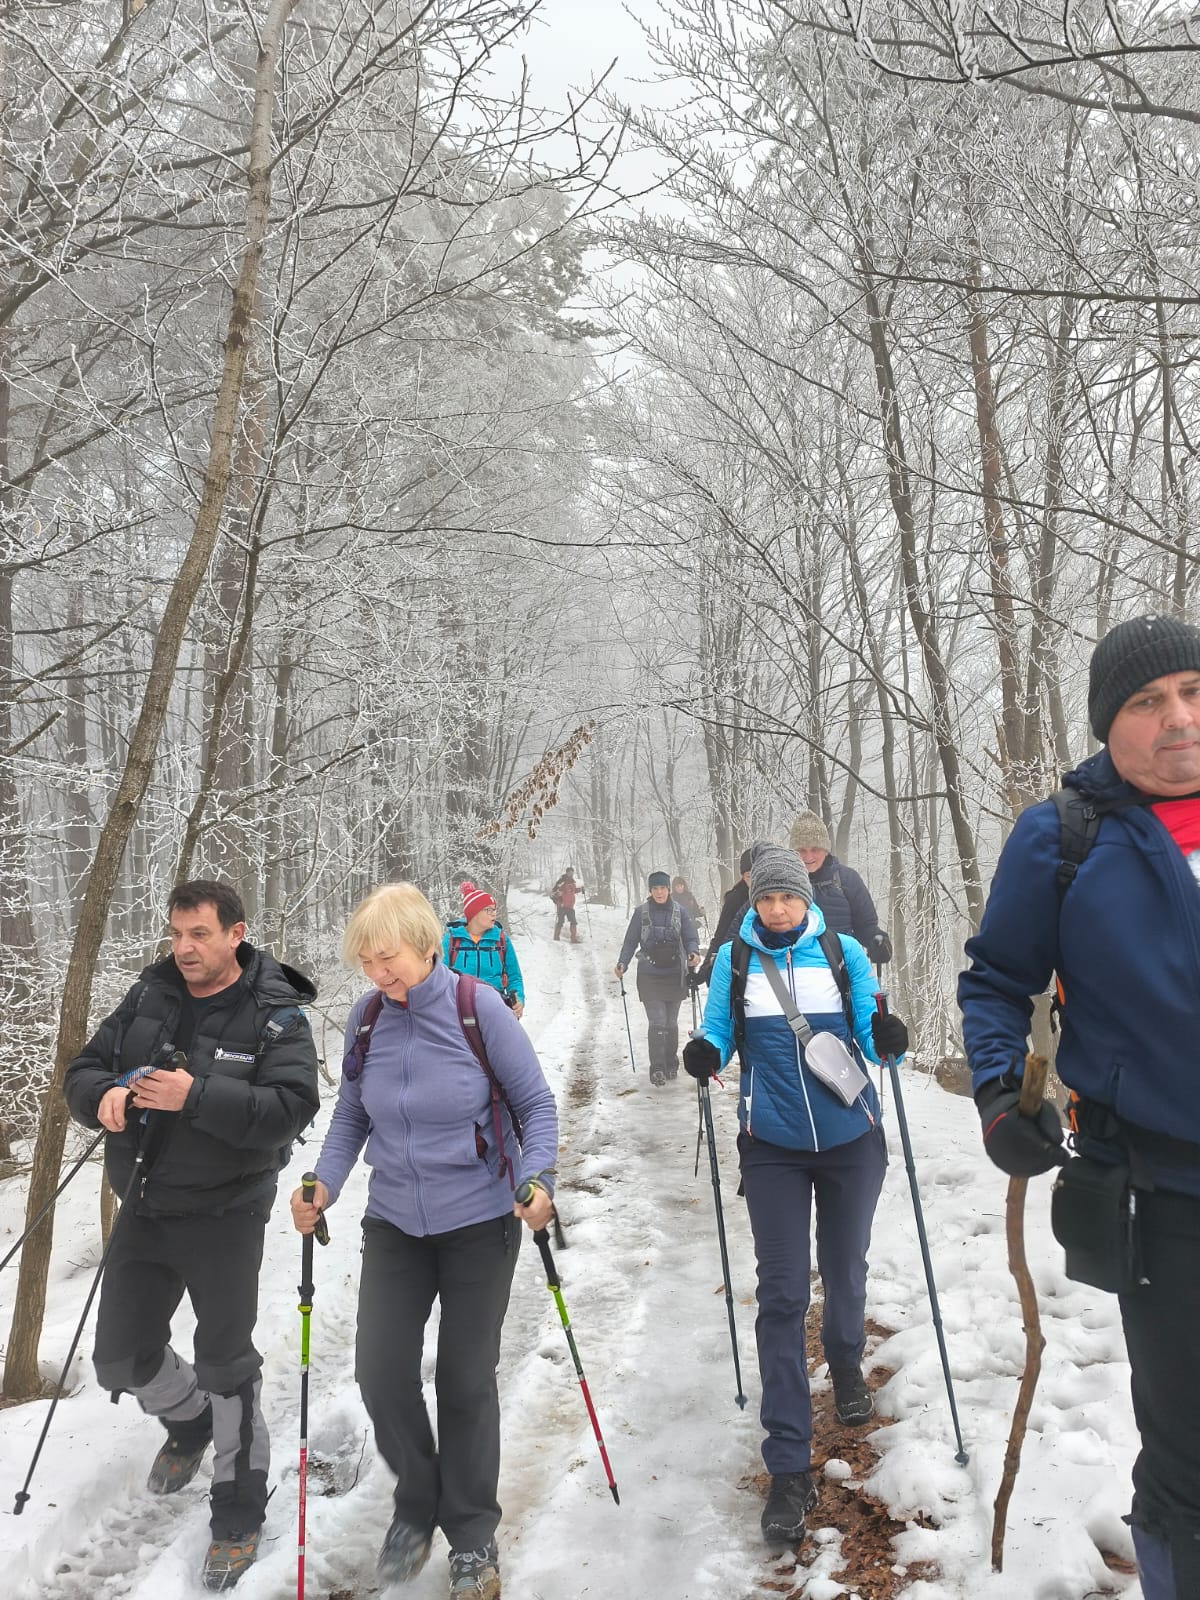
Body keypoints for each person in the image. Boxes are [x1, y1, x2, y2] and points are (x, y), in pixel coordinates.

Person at [958, 614, 1200, 1600]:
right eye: (1148, 701)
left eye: (1193, 691)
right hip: (1162, 1193)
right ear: (1109, 723)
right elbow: (995, 982)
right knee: (1189, 1460)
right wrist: (1000, 1093)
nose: (1179, 717)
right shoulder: (1067, 836)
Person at [291, 883, 557, 1600]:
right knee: (380, 1374)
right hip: (396, 1224)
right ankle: (417, 1499)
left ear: (425, 944)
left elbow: (535, 1104)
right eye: (366, 961)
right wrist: (323, 1183)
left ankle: (471, 1534)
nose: (378, 972)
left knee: (465, 1381)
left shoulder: (479, 1009)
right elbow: (352, 1113)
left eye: (389, 957)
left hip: (479, 1220)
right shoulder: (368, 1019)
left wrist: (537, 1177)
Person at [63, 880, 320, 1592]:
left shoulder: (275, 1014)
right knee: (120, 1359)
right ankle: (190, 1421)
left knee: (225, 1365)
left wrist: (195, 1095)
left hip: (226, 1212)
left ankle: (238, 1512)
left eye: (199, 934)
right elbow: (82, 1069)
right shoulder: (150, 995)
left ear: (236, 933)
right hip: (145, 1205)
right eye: (176, 934)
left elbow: (291, 1107)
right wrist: (104, 1096)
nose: (184, 948)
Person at [682, 842, 908, 1547]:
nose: (778, 909)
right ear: (753, 901)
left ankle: (844, 1358)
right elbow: (719, 1030)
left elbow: (871, 1029)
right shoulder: (735, 959)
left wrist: (889, 1036)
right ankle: (787, 1464)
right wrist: (707, 1051)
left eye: (788, 897)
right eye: (767, 898)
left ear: (806, 899)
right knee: (780, 1294)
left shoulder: (842, 952)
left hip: (851, 1138)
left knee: (844, 1267)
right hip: (773, 1145)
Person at [614, 870, 701, 1084]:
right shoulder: (641, 913)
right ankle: (657, 1068)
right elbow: (630, 941)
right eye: (655, 888)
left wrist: (693, 953)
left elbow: (690, 937)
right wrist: (623, 962)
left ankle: (671, 1063)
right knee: (657, 1021)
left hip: (675, 974)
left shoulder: (680, 912)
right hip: (649, 974)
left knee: (670, 1022)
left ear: (669, 889)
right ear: (650, 890)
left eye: (663, 888)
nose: (659, 892)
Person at [787, 811, 892, 965]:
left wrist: (878, 942)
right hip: (794, 969)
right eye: (801, 850)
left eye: (815, 849)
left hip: (840, 968)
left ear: (826, 849)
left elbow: (865, 926)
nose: (808, 856)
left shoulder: (847, 880)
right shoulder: (782, 882)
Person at [442, 881, 525, 1018]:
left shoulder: (501, 939)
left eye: (494, 909)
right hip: (460, 1011)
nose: (494, 914)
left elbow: (514, 977)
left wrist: (518, 999)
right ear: (474, 913)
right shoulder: (451, 940)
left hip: (495, 1009)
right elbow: (440, 979)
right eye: (488, 910)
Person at [697, 848, 752, 985]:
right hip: (739, 963)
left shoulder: (774, 898)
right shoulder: (735, 899)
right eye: (749, 876)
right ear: (742, 876)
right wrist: (705, 969)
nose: (754, 881)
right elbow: (721, 934)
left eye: (758, 875)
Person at [549, 866, 581, 942]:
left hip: (570, 906)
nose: (571, 874)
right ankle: (556, 938)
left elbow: (572, 891)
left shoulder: (572, 882)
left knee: (573, 922)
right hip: (562, 906)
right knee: (560, 922)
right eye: (569, 872)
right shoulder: (561, 881)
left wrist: (580, 889)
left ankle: (573, 939)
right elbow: (554, 892)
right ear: (566, 873)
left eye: (572, 873)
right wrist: (558, 900)